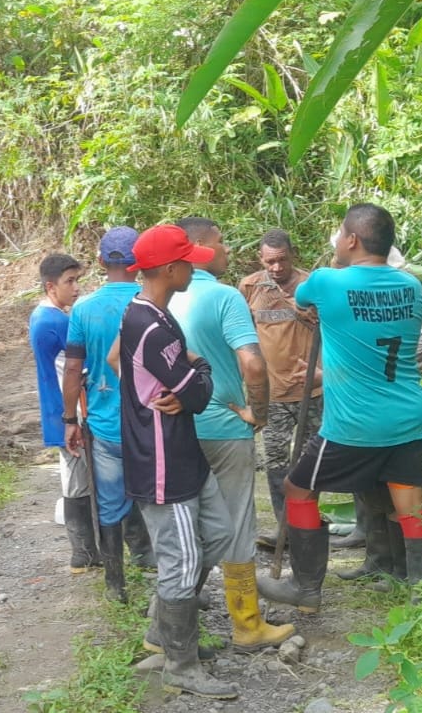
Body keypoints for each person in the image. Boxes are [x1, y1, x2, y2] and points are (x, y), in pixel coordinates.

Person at [258, 203, 422, 611]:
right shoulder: (412, 286)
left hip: (353, 424)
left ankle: (305, 588)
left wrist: (336, 262)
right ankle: (417, 590)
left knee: (298, 489)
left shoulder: (327, 281)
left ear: (351, 240)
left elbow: (303, 298)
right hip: (408, 416)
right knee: (410, 504)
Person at [118, 224, 236, 699]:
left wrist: (193, 373)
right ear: (169, 269)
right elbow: (200, 394)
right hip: (162, 461)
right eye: (188, 262)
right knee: (182, 561)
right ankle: (180, 664)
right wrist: (197, 373)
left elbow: (190, 382)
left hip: (184, 452)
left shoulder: (158, 315)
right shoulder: (146, 324)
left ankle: (166, 630)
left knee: (219, 533)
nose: (194, 267)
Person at [169, 218, 294, 652]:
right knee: (238, 522)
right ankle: (247, 624)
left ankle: (165, 630)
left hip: (176, 429)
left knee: (185, 528)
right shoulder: (224, 296)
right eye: (220, 242)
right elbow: (253, 364)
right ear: (199, 247)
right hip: (224, 426)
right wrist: (258, 412)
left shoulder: (156, 298)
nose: (226, 250)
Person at [62, 226, 156, 604]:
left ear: (101, 261)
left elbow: (73, 369)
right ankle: (168, 578)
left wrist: (70, 420)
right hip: (151, 423)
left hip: (105, 426)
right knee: (158, 499)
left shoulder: (84, 309)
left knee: (110, 504)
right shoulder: (153, 301)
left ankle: (116, 583)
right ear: (139, 262)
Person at [237, 229, 333, 551]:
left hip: (310, 393)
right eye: (270, 262)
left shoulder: (311, 285)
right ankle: (285, 529)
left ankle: (306, 527)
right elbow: (242, 337)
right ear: (261, 259)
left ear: (293, 254)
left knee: (308, 465)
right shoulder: (250, 287)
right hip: (273, 395)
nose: (277, 268)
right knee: (276, 463)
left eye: (282, 260)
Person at [29, 253, 99, 574]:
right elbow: (81, 368)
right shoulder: (58, 322)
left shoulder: (39, 316)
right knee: (79, 481)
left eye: (77, 280)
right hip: (72, 412)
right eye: (69, 282)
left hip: (57, 410)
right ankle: (83, 553)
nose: (76, 288)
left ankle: (84, 553)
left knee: (74, 479)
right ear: (50, 286)